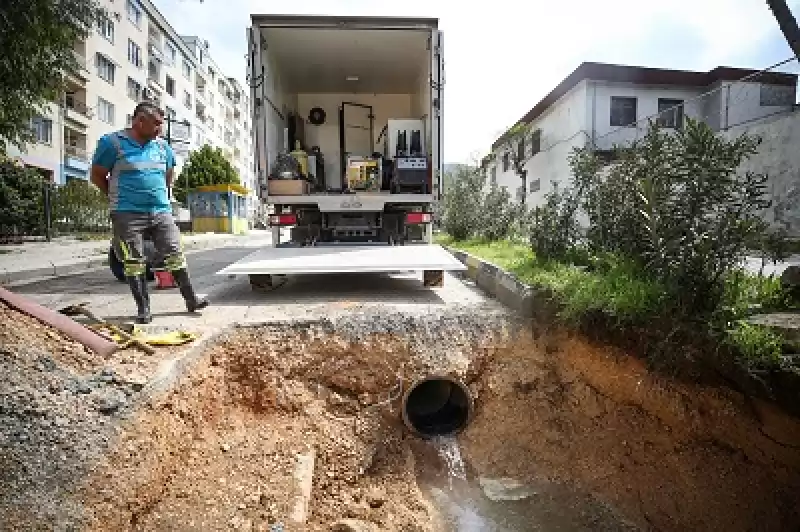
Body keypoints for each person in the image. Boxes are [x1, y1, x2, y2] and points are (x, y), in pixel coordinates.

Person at [90, 101, 209, 324]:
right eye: (156, 124)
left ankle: (191, 299)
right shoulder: (112, 143)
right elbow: (97, 175)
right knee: (133, 261)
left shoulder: (163, 147)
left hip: (160, 212)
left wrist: (160, 198)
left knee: (175, 254)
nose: (159, 129)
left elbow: (168, 176)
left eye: (161, 124)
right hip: (127, 214)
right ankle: (143, 309)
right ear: (139, 121)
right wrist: (115, 198)